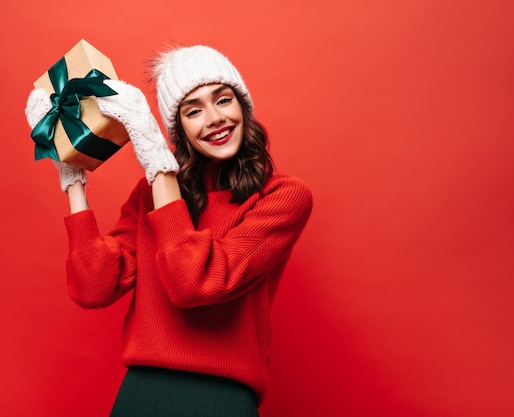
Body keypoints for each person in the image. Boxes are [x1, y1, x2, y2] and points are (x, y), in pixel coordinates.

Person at [26, 45, 313, 417]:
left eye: (223, 100)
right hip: (140, 396)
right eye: (194, 110)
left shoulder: (283, 195)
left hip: (221, 400)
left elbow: (194, 282)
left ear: (243, 106)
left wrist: (155, 159)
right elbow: (93, 287)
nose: (213, 118)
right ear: (180, 129)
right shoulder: (152, 194)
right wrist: (71, 174)